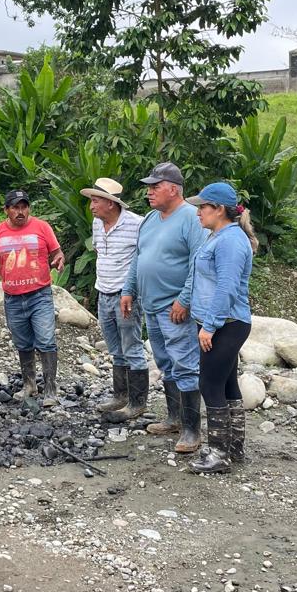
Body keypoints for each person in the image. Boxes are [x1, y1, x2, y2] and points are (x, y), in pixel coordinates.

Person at [121, 162, 208, 454]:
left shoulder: (191, 218)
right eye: (149, 187)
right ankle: (174, 418)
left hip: (175, 307)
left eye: (155, 187)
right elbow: (139, 257)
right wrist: (129, 289)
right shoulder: (150, 218)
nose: (149, 192)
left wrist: (185, 299)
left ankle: (192, 431)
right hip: (151, 305)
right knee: (165, 363)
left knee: (185, 364)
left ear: (173, 189)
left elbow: (198, 262)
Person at [185, 182, 254, 473]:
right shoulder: (217, 236)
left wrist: (210, 326)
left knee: (209, 384)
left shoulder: (230, 241)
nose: (198, 212)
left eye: (203, 207)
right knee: (227, 384)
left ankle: (218, 453)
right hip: (223, 322)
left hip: (227, 324)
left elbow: (226, 288)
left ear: (219, 209)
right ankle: (233, 447)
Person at [0, 190, 65, 401]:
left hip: (40, 295)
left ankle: (50, 389)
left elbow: (57, 252)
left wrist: (59, 259)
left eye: (24, 207)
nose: (20, 212)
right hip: (13, 297)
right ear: (6, 210)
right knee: (22, 342)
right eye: (15, 208)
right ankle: (29, 385)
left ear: (28, 208)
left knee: (46, 340)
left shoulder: (42, 227)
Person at [80, 177, 148, 421]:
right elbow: (100, 252)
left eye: (95, 201)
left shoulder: (137, 224)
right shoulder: (97, 224)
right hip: (104, 292)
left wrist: (132, 290)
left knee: (132, 347)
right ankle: (121, 396)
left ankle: (138, 402)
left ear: (111, 203)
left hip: (125, 295)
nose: (91, 206)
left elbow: (143, 258)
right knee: (116, 349)